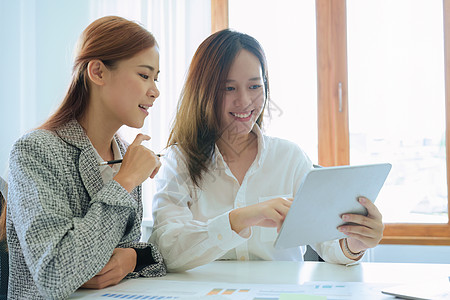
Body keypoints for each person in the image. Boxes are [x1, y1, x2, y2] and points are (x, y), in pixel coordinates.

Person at [150, 29, 384, 272]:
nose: (244, 101)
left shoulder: (289, 158)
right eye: (229, 88)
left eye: (254, 86)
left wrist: (355, 243)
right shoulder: (179, 161)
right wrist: (239, 219)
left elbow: (329, 244)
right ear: (204, 92)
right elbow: (167, 252)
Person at [7, 16, 166, 299]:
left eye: (155, 78)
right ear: (98, 72)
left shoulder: (125, 152)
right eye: (144, 75)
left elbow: (123, 251)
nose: (154, 91)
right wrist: (125, 180)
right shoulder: (35, 151)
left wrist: (131, 258)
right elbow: (55, 272)